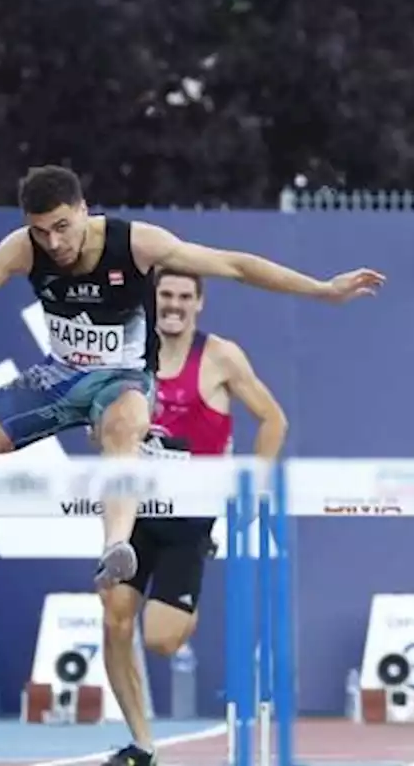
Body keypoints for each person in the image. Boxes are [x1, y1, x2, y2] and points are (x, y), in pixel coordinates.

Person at [0, 165, 382, 589]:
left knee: (122, 424)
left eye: (62, 227)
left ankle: (116, 543)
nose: (54, 242)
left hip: (125, 377)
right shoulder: (22, 248)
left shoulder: (136, 243)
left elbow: (235, 265)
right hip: (58, 376)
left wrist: (321, 289)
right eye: (41, 230)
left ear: (84, 211)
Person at [99, 268, 287, 766]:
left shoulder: (221, 356)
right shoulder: (128, 355)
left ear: (199, 303)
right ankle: (142, 744)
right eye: (166, 296)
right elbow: (100, 423)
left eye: (185, 296)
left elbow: (273, 420)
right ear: (152, 300)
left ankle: (184, 603)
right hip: (135, 512)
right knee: (115, 620)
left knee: (161, 640)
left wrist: (252, 487)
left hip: (191, 520)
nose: (175, 305)